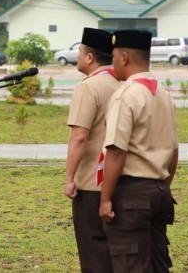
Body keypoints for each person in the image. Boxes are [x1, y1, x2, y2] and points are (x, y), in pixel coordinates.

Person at [99, 29, 178, 273]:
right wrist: (163, 183)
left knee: (130, 264)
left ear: (124, 57)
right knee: (157, 265)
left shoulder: (125, 95)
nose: (112, 62)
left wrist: (105, 198)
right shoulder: (164, 94)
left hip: (133, 194)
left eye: (113, 57)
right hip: (159, 189)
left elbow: (116, 152)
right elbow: (174, 151)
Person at [63, 27, 119, 273]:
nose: (78, 57)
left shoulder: (89, 87)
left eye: (80, 52)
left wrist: (69, 178)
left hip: (91, 183)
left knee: (94, 253)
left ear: (89, 57)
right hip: (121, 179)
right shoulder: (123, 82)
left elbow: (79, 137)